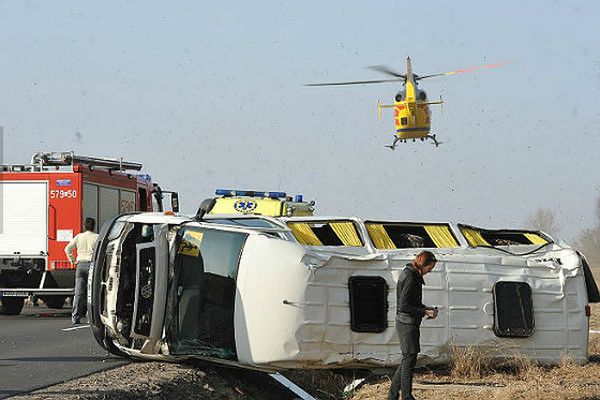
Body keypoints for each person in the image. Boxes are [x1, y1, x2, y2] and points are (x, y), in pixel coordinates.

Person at [388, 251, 438, 400]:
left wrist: (426, 309)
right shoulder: (410, 277)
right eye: (430, 267)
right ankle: (407, 396)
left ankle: (392, 396)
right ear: (424, 264)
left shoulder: (411, 273)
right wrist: (424, 311)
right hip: (406, 323)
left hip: (407, 322)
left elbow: (411, 302)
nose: (430, 271)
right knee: (409, 360)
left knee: (407, 359)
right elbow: (404, 306)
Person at [65, 218, 99, 325]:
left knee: (78, 293)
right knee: (91, 292)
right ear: (94, 226)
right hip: (92, 265)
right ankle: (90, 317)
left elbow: (67, 249)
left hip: (80, 265)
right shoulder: (97, 237)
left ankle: (75, 317)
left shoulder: (79, 237)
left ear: (84, 226)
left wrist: (73, 260)